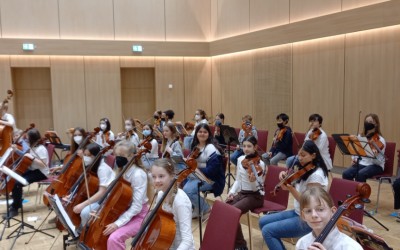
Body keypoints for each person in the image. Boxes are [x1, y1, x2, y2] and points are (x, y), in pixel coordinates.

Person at [259, 140, 329, 250]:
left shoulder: (317, 176)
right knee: (263, 221)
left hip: (310, 219)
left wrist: (290, 188)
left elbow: (308, 203)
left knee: (267, 231)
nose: (300, 158)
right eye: (299, 154)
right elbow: (288, 186)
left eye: (303, 155)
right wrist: (283, 177)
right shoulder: (305, 169)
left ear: (313, 155)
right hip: (298, 212)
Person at [104, 140, 152, 250]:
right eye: (116, 155)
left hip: (139, 215)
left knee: (114, 239)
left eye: (122, 155)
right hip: (123, 210)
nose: (118, 158)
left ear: (131, 156)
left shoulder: (138, 174)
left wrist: (117, 223)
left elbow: (136, 206)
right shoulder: (120, 170)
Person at [226, 136, 265, 250]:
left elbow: (256, 188)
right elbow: (238, 179)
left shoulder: (260, 164)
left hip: (255, 196)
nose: (246, 149)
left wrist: (252, 181)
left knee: (233, 213)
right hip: (242, 194)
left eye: (249, 146)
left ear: (255, 147)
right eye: (244, 146)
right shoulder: (240, 159)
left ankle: (241, 246)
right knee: (225, 210)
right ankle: (231, 241)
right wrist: (232, 192)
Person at [296, 187, 363, 250]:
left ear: (333, 211)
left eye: (320, 209)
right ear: (303, 216)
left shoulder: (351, 247)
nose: (314, 215)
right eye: (308, 211)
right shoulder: (302, 244)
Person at [150, 158, 195, 249]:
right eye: (154, 176)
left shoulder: (180, 201)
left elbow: (187, 240)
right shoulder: (160, 195)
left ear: (171, 176)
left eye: (161, 176)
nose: (156, 180)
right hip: (165, 244)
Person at [4, 128, 49, 218]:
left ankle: (15, 208)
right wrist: (16, 151)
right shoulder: (31, 147)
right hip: (32, 169)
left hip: (41, 172)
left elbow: (43, 165)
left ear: (32, 139)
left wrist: (32, 158)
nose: (25, 140)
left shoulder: (41, 149)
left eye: (27, 138)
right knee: (14, 178)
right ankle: (17, 202)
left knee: (17, 183)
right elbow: (25, 156)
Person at [183, 123, 225, 218]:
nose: (202, 134)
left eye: (205, 132)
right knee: (183, 185)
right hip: (198, 176)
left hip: (211, 179)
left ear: (208, 134)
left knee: (187, 190)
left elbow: (212, 170)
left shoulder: (211, 148)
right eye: (200, 132)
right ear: (196, 133)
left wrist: (196, 168)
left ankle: (206, 208)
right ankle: (197, 210)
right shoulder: (195, 146)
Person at [72, 143, 115, 229]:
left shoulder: (102, 169)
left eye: (89, 155)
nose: (86, 157)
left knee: (85, 212)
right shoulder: (92, 165)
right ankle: (80, 228)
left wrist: (83, 204)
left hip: (107, 198)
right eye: (84, 155)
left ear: (97, 156)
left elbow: (102, 192)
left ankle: (85, 234)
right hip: (98, 194)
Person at [342, 113, 385, 182]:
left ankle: (362, 192)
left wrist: (373, 156)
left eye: (370, 122)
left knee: (360, 174)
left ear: (376, 124)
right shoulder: (361, 137)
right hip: (362, 163)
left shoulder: (379, 139)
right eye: (366, 122)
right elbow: (356, 151)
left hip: (376, 165)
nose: (368, 123)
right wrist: (354, 159)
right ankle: (350, 192)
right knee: (346, 173)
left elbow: (378, 161)